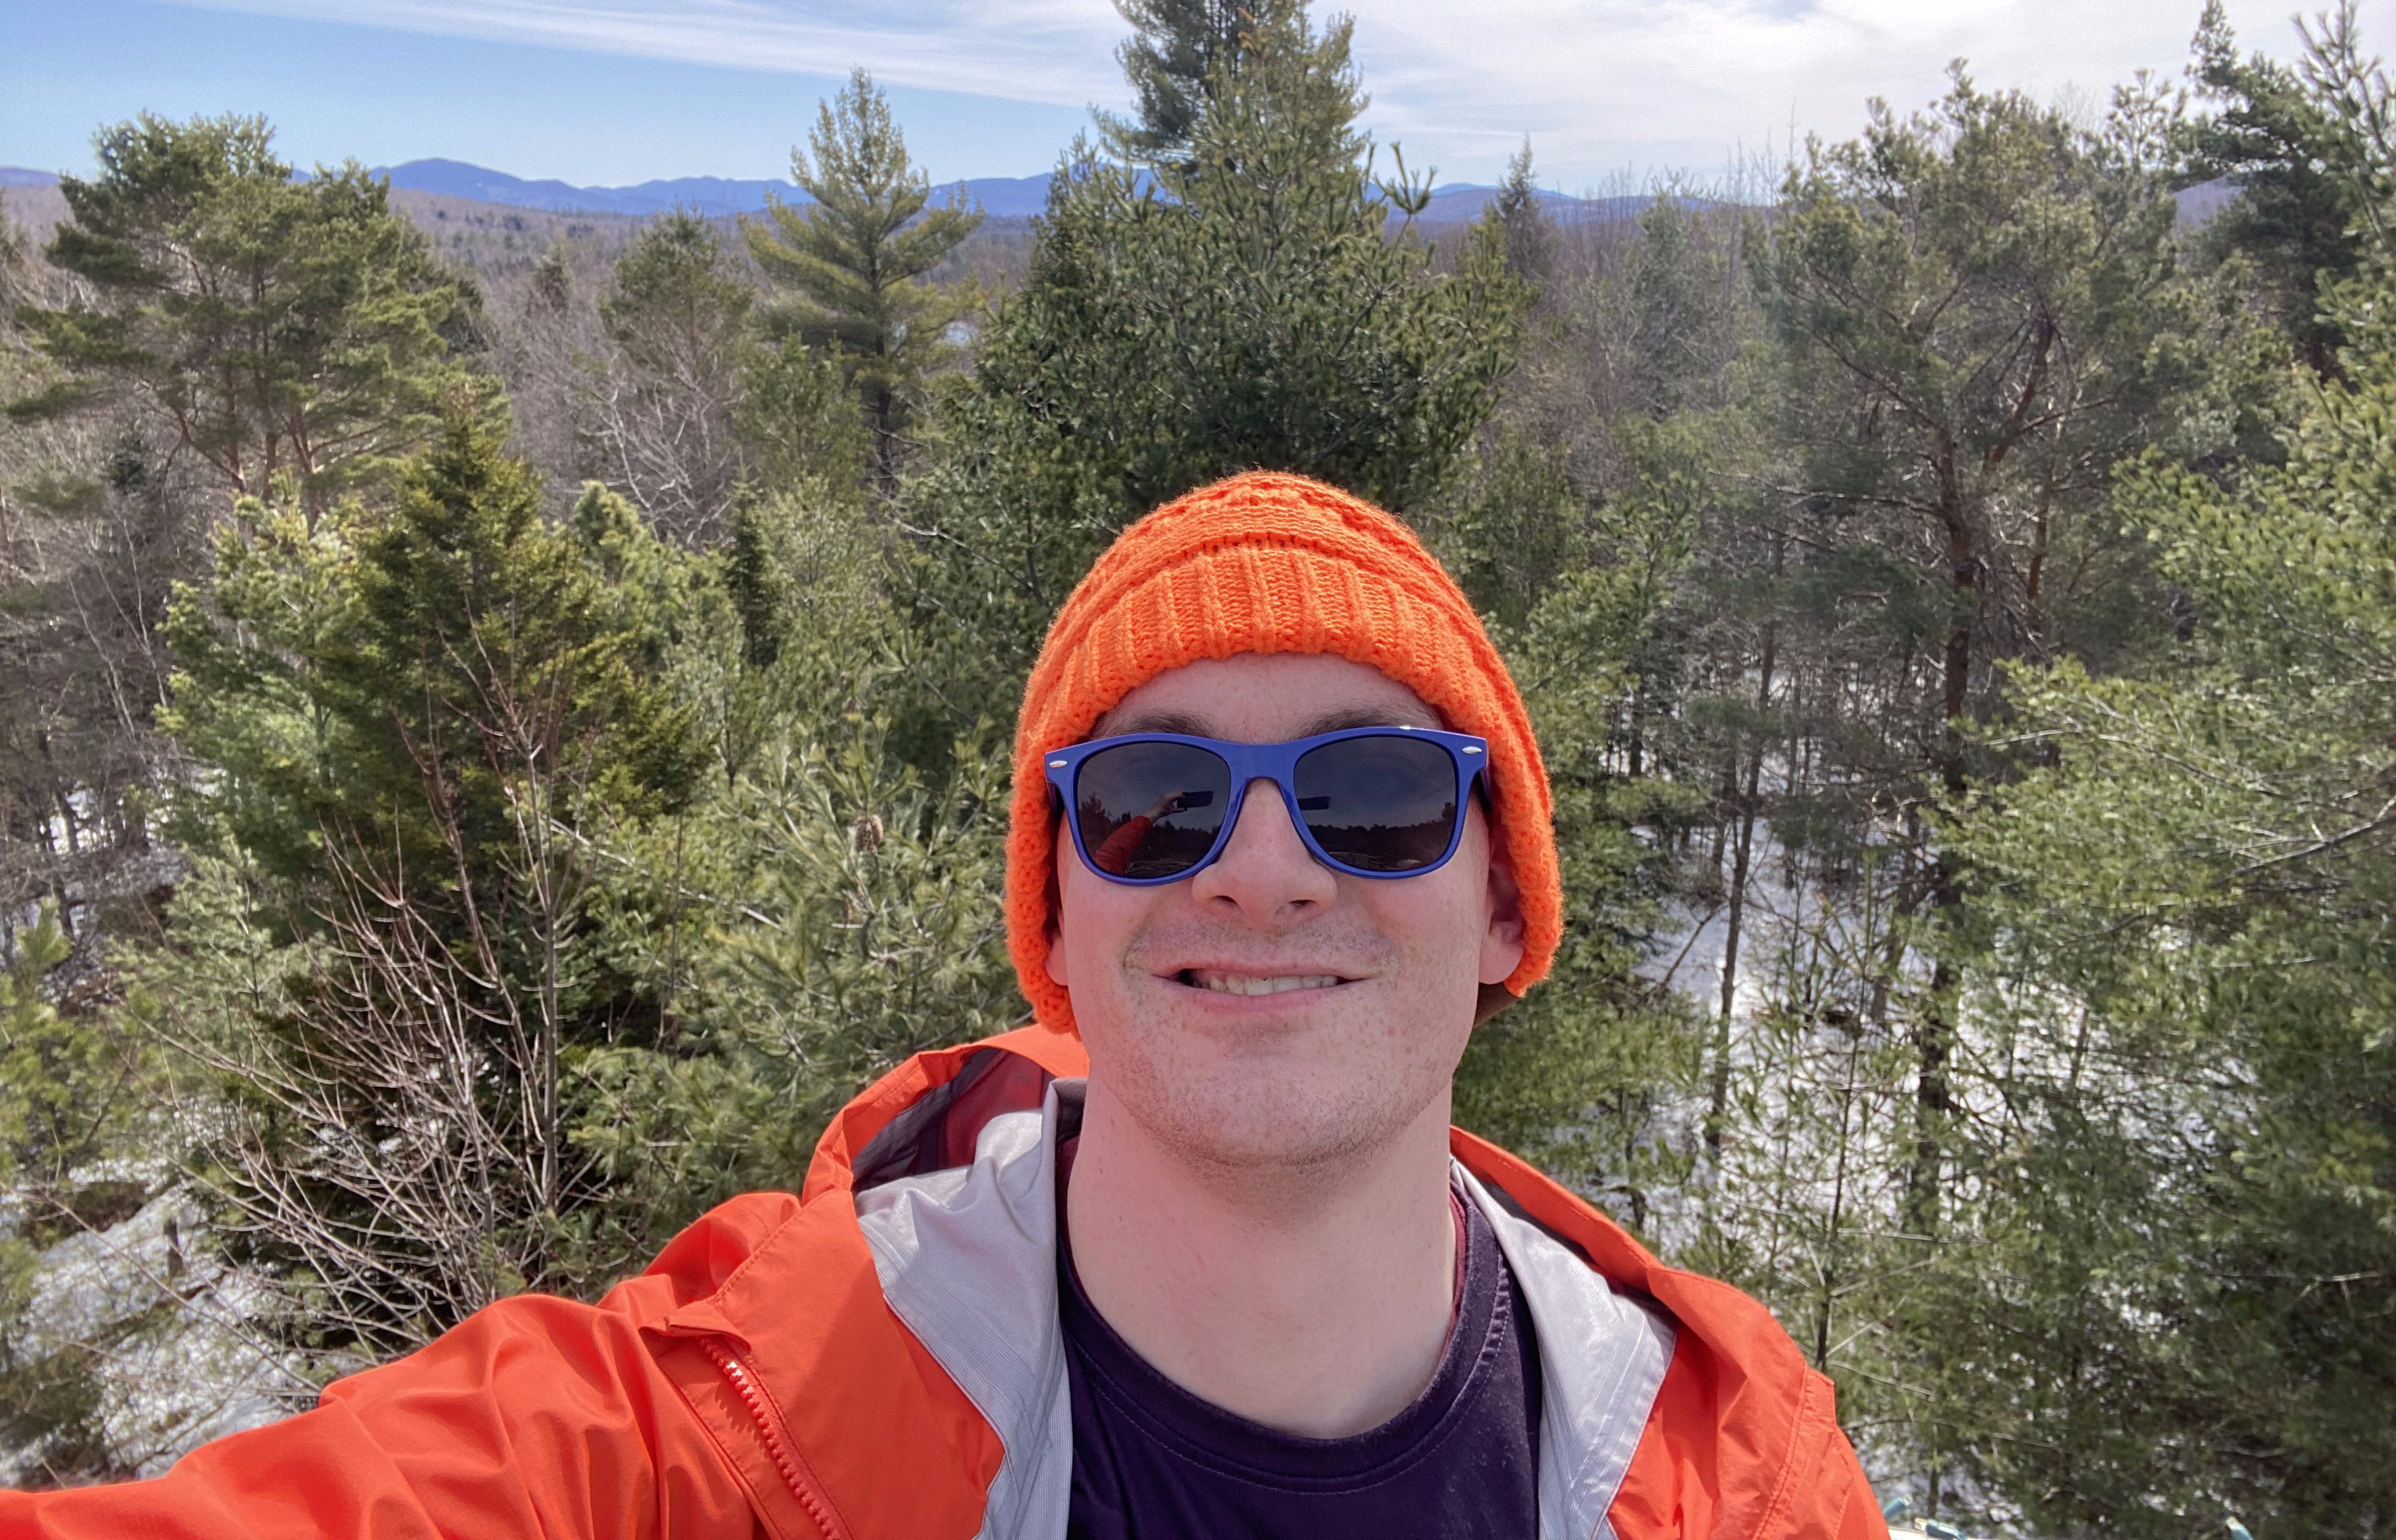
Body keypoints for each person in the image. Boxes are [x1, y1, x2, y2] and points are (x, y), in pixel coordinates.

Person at [0, 472, 1884, 1539]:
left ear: (1504, 907)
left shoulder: (1744, 1486)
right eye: (1152, 800)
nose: (1261, 867)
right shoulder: (713, 1445)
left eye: (1375, 794)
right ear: (1054, 918)